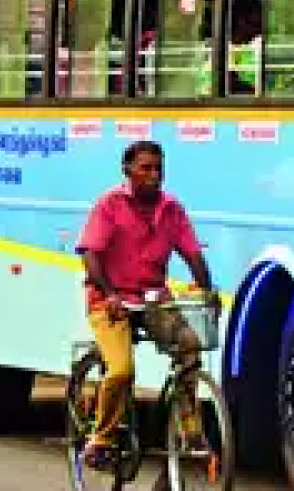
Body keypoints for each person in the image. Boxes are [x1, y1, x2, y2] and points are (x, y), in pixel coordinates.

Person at [76, 140, 220, 469]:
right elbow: (91, 255)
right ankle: (101, 438)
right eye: (145, 168)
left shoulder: (171, 209)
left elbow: (194, 255)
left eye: (158, 169)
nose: (154, 175)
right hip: (109, 300)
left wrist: (208, 293)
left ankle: (190, 429)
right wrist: (110, 294)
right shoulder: (109, 205)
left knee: (189, 347)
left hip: (153, 299)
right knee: (122, 370)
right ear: (127, 170)